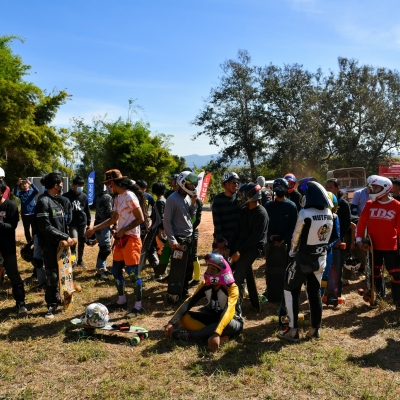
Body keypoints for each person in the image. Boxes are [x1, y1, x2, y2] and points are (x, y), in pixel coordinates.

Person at [85, 170, 147, 317]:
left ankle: (138, 306)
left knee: (132, 273)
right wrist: (95, 229)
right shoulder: (117, 198)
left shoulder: (130, 196)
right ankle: (121, 300)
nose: (107, 187)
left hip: (131, 239)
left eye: (108, 184)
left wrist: (123, 230)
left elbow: (141, 219)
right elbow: (113, 219)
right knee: (116, 271)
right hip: (120, 240)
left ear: (112, 183)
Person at [278, 181, 333, 342]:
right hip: (320, 259)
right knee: (314, 293)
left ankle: (292, 331)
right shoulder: (329, 213)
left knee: (290, 290)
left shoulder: (305, 213)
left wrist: (291, 253)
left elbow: (296, 237)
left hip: (303, 258)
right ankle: (315, 330)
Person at [164, 253, 243, 352]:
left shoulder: (232, 288)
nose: (209, 272)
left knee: (223, 324)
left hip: (232, 322)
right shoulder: (206, 285)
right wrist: (172, 322)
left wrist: (216, 333)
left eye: (213, 270)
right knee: (183, 318)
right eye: (208, 269)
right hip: (213, 318)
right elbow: (190, 301)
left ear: (222, 272)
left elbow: (229, 311)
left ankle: (194, 336)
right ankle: (219, 337)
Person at [356, 175, 400, 308]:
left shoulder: (397, 205)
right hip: (373, 247)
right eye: (372, 188)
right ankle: (378, 298)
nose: (373, 191)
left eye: (376, 188)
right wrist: (359, 240)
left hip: (391, 247)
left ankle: (398, 302)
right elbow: (361, 223)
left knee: (396, 275)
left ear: (385, 189)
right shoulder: (370, 204)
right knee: (375, 273)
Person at [35, 173, 74, 318]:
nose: (62, 186)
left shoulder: (57, 201)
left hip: (62, 246)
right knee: (52, 275)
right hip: (50, 245)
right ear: (56, 185)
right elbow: (45, 227)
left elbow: (63, 224)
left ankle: (63, 297)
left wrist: (67, 238)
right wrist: (65, 236)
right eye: (60, 183)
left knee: (64, 273)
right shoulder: (43, 202)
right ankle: (51, 304)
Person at [229, 182, 269, 309]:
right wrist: (229, 248)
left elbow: (255, 239)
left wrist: (239, 253)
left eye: (243, 195)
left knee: (239, 273)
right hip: (242, 245)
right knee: (226, 268)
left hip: (254, 248)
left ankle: (236, 308)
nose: (241, 198)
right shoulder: (244, 211)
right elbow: (238, 231)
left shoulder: (261, 214)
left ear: (250, 196)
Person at [163, 170, 199, 302]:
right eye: (190, 184)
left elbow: (191, 216)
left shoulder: (188, 197)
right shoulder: (172, 199)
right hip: (179, 238)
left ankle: (183, 291)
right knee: (178, 268)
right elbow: (166, 221)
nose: (193, 187)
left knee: (188, 266)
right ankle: (174, 293)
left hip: (189, 237)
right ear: (183, 183)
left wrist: (194, 203)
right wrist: (172, 240)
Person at [264, 178, 298, 300]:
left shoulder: (291, 206)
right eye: (277, 187)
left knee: (286, 269)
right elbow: (265, 225)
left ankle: (286, 292)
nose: (280, 190)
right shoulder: (268, 206)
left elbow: (295, 226)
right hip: (271, 245)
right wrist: (271, 236)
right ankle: (271, 290)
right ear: (273, 189)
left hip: (287, 245)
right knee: (270, 269)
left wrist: (284, 239)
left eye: (282, 187)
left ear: (286, 189)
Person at [0, 179, 28, 316]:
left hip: (7, 246)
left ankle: (20, 303)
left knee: (13, 274)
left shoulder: (10, 206)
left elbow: (12, 227)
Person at [63, 176, 91, 268]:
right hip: (72, 224)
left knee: (82, 242)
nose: (81, 187)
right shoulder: (66, 196)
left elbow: (87, 210)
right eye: (79, 185)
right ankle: (73, 260)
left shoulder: (84, 196)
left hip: (82, 223)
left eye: (82, 185)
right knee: (73, 242)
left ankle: (80, 260)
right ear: (74, 185)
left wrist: (88, 223)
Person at [211, 172, 241, 257]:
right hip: (223, 241)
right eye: (233, 182)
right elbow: (217, 221)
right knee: (218, 266)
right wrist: (220, 240)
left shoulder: (239, 198)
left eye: (237, 182)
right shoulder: (218, 199)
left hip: (237, 240)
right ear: (226, 184)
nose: (236, 184)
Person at [93, 185, 114, 280]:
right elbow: (109, 212)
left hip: (97, 223)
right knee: (105, 249)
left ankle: (104, 268)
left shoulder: (99, 195)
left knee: (103, 246)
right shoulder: (108, 197)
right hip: (104, 225)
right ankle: (99, 270)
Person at [14, 178, 39, 244]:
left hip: (33, 213)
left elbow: (37, 190)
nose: (24, 185)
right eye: (22, 184)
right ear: (21, 186)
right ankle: (29, 241)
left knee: (34, 228)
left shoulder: (32, 192)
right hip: (25, 214)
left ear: (28, 185)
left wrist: (31, 183)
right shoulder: (21, 193)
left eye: (26, 184)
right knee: (26, 229)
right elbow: (15, 193)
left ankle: (34, 240)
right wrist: (17, 184)